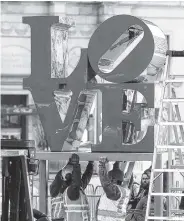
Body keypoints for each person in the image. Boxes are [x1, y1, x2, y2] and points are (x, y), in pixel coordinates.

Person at [50, 154, 94, 221]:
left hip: (58, 218)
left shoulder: (56, 187)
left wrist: (71, 163)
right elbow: (86, 177)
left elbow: (85, 177)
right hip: (62, 218)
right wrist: (90, 164)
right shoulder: (73, 187)